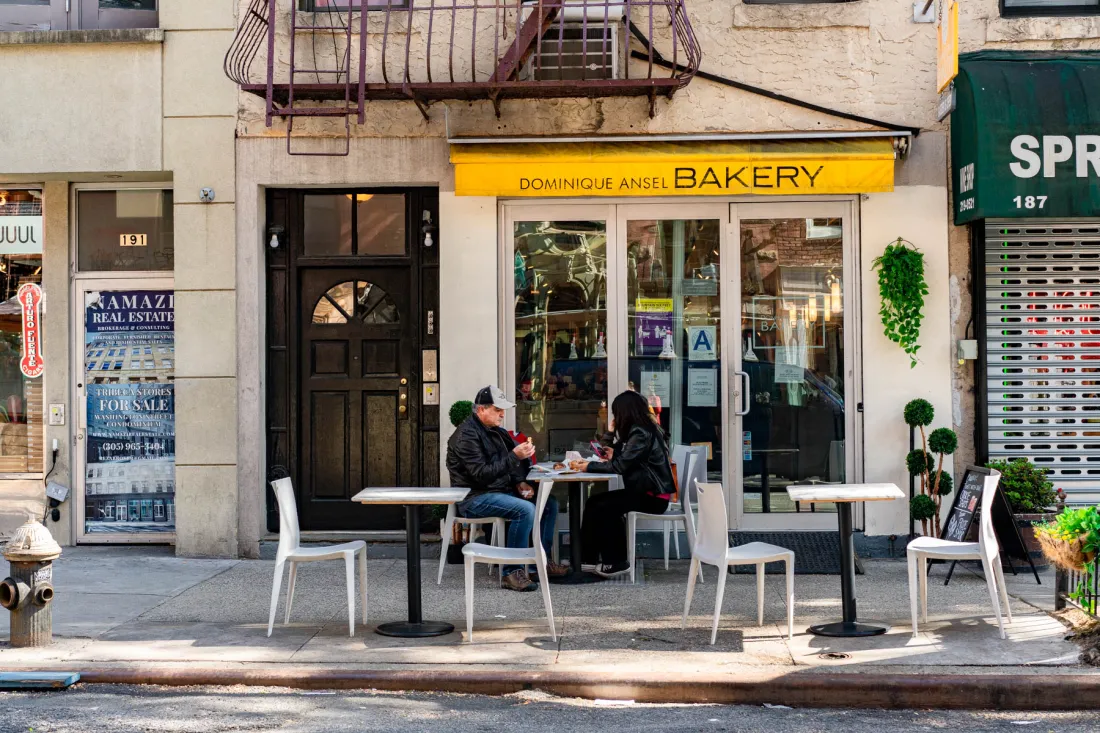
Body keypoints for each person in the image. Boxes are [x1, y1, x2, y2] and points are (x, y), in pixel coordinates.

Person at [447, 385, 567, 591]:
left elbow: (511, 466)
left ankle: (539, 564)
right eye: (497, 409)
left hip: (498, 490)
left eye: (503, 409)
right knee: (525, 510)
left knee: (549, 504)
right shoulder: (466, 436)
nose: (503, 413)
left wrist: (520, 482)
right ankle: (511, 572)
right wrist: (515, 456)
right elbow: (482, 474)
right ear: (481, 409)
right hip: (474, 497)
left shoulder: (496, 431)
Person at [570, 389, 674, 578]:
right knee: (595, 502)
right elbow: (613, 454)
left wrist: (587, 467)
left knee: (605, 506)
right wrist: (610, 435)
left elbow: (618, 466)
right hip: (645, 492)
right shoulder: (641, 429)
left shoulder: (641, 433)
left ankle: (616, 562)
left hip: (653, 497)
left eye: (616, 412)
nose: (615, 416)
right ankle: (586, 559)